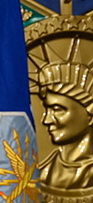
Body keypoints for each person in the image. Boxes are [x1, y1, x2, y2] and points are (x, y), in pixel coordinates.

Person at [37, 62, 93, 193]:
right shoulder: (44, 172)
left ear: (90, 114)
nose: (46, 120)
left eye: (57, 109)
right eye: (47, 110)